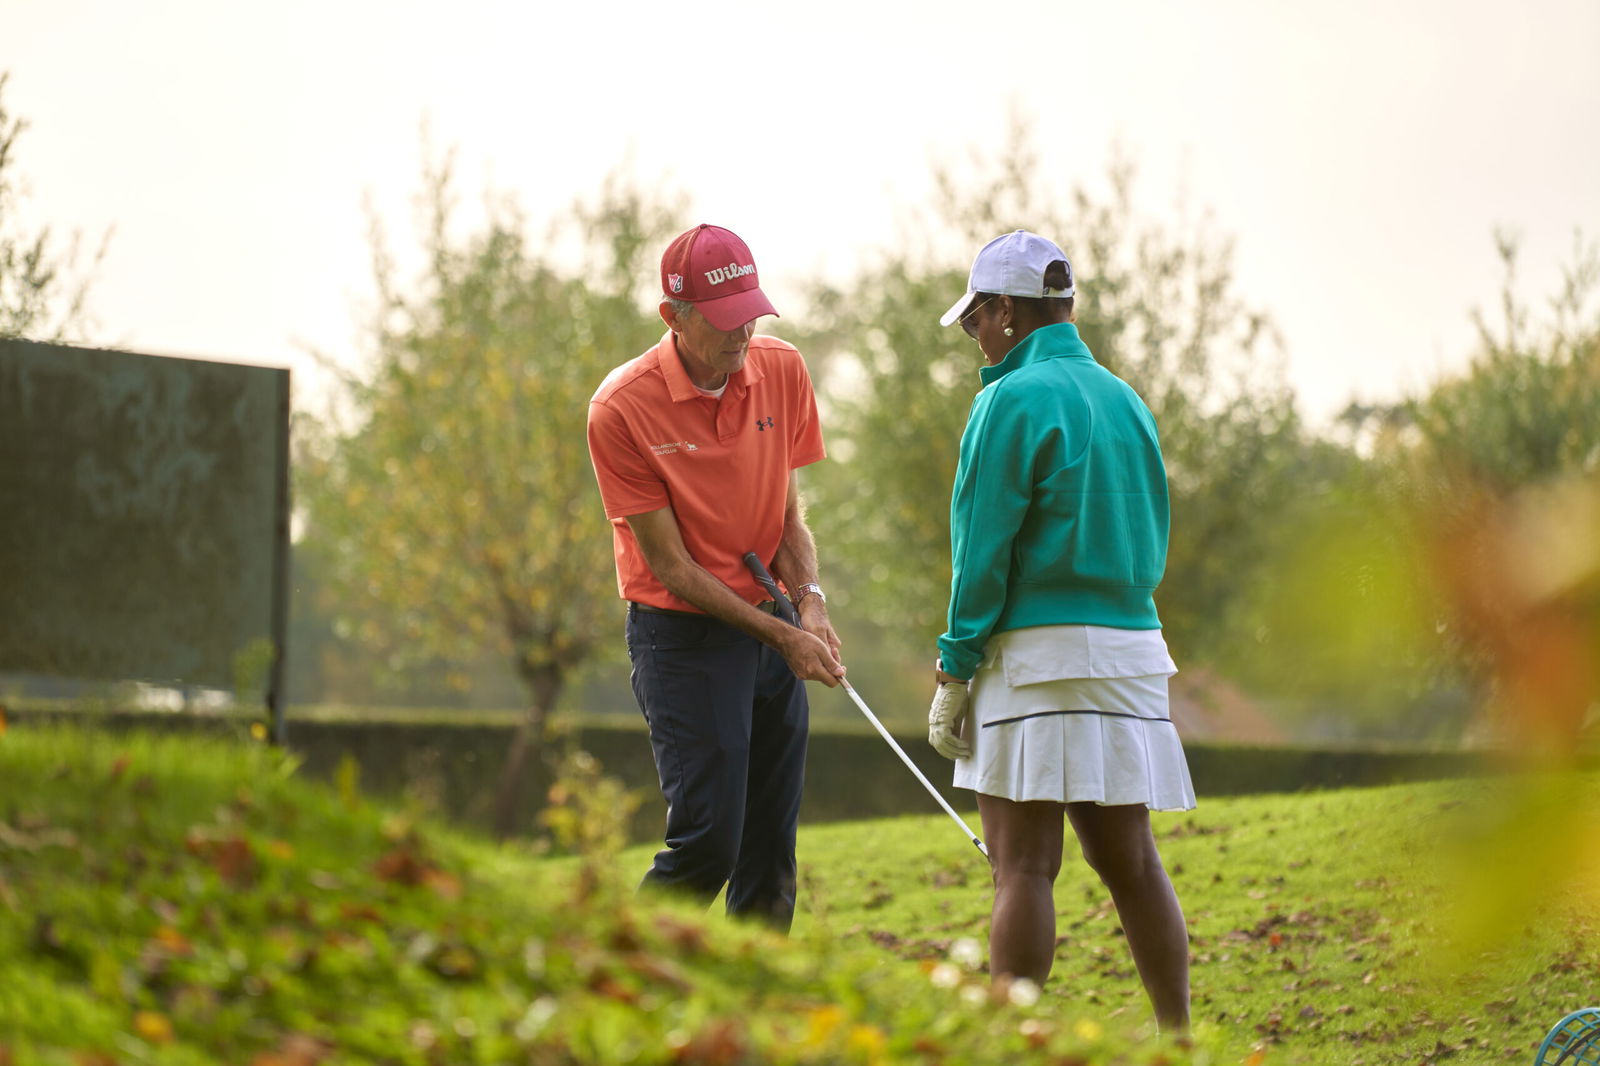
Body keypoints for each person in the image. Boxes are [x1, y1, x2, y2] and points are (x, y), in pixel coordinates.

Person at [925, 230, 1195, 1031]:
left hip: (1032, 656)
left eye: (977, 318)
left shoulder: (1005, 401)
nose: (976, 335)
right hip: (1132, 651)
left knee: (1023, 867)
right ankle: (1180, 1042)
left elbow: (982, 551)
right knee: (1132, 862)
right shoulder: (1126, 398)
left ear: (1007, 311)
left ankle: (1010, 1044)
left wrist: (955, 668)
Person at [585, 222, 845, 933]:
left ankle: (750, 1016)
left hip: (772, 621)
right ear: (675, 316)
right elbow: (671, 566)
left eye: (753, 312)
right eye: (728, 319)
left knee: (769, 852)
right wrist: (782, 633)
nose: (744, 332)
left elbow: (788, 514)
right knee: (709, 842)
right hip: (683, 639)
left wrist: (810, 603)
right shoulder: (622, 408)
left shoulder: (782, 368)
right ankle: (613, 971)